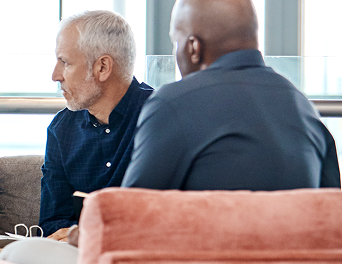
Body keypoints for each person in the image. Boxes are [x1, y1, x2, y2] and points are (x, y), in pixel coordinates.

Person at [122, 0, 340, 190]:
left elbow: (128, 215)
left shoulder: (172, 103)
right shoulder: (303, 106)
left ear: (194, 47)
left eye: (175, 42)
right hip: (295, 238)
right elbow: (329, 211)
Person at [38, 10, 153, 242]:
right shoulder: (61, 129)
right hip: (72, 255)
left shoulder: (159, 117)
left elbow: (163, 213)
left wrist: (89, 234)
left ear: (102, 67)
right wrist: (74, 236)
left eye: (65, 63)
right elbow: (51, 220)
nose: (55, 75)